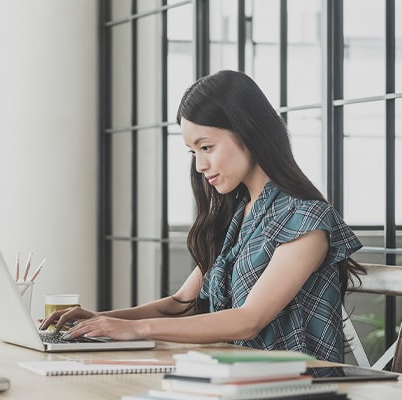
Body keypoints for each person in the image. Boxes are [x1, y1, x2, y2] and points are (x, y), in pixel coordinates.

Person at [39, 70, 365, 363]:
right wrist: (100, 321)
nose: (199, 165)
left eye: (206, 147)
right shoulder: (236, 215)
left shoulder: (306, 219)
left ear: (249, 133)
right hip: (230, 375)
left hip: (293, 385)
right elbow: (182, 303)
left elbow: (249, 320)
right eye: (193, 152)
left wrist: (134, 329)